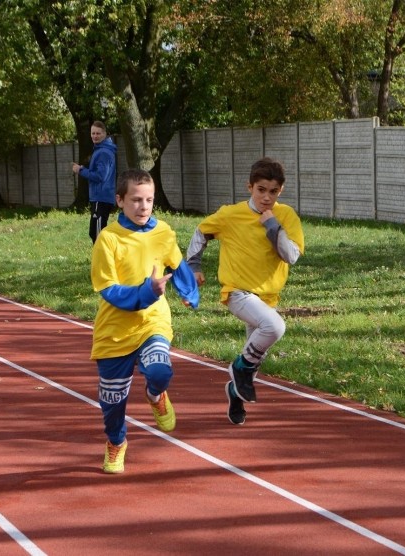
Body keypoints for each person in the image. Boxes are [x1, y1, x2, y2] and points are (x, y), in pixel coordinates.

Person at [90, 168, 199, 474]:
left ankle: (155, 394)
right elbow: (108, 289)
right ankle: (116, 442)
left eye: (149, 200)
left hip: (153, 322)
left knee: (160, 370)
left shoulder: (163, 232)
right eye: (136, 200)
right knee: (112, 404)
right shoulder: (108, 239)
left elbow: (176, 264)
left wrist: (188, 291)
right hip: (114, 331)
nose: (143, 206)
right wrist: (146, 292)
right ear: (120, 200)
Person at [185, 157, 305, 426]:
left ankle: (235, 392)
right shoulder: (230, 214)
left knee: (255, 355)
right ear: (249, 186)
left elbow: (291, 256)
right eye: (261, 190)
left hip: (268, 297)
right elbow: (201, 232)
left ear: (280, 191)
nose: (266, 197)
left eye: (273, 191)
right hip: (237, 292)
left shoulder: (286, 216)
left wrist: (272, 225)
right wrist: (193, 265)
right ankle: (238, 369)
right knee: (274, 327)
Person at [72, 121, 117, 243]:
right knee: (96, 231)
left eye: (98, 133)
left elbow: (100, 176)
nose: (95, 136)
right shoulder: (102, 149)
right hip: (101, 197)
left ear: (105, 134)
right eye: (93, 133)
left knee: (97, 232)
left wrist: (81, 171)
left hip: (101, 198)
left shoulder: (103, 152)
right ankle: (101, 258)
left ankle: (102, 259)